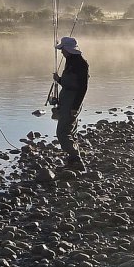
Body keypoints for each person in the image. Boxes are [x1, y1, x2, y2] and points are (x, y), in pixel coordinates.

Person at [53, 36, 89, 169]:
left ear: (68, 49)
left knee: (62, 132)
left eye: (62, 49)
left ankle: (76, 159)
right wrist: (59, 80)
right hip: (66, 101)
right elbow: (69, 83)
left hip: (72, 102)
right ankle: (73, 160)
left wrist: (75, 107)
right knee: (70, 131)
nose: (61, 52)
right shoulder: (70, 61)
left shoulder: (81, 64)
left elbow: (83, 87)